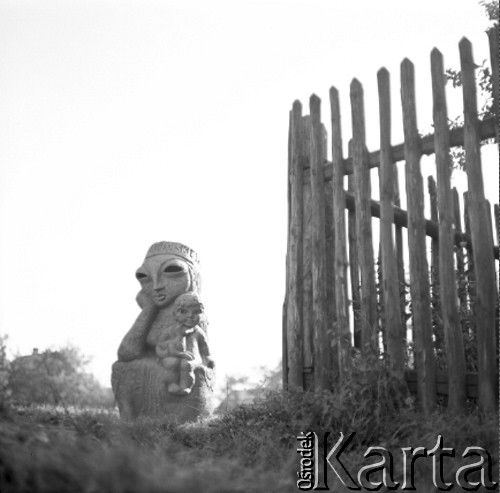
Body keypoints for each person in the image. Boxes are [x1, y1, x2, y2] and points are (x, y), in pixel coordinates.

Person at [156, 292, 214, 395]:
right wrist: (165, 351)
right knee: (171, 363)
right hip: (173, 356)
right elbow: (160, 346)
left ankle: (185, 386)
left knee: (186, 365)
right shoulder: (170, 331)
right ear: (175, 314)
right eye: (183, 311)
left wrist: (208, 358)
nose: (190, 316)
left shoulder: (197, 332)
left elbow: (205, 348)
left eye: (196, 312)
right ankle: (172, 383)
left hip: (193, 358)